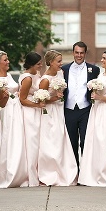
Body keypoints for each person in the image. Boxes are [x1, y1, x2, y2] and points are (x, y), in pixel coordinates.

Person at [0, 50, 29, 188]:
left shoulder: (9, 75)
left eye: (8, 59)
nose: (8, 61)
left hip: (17, 109)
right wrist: (3, 95)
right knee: (10, 140)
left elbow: (16, 91)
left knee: (18, 140)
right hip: (8, 112)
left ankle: (20, 172)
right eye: (5, 60)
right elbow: (2, 104)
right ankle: (10, 174)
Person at [78, 50, 106, 187]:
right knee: (94, 140)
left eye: (104, 58)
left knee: (103, 140)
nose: (101, 60)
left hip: (105, 110)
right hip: (96, 110)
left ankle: (104, 174)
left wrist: (100, 97)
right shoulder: (101, 74)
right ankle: (93, 172)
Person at [37, 50, 78, 186]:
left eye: (61, 61)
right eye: (59, 61)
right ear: (50, 62)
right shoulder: (44, 80)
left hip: (60, 110)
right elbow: (41, 101)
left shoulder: (61, 73)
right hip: (50, 112)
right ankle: (49, 172)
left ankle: (64, 170)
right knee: (51, 140)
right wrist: (55, 97)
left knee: (61, 139)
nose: (61, 64)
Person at [62, 41, 101, 167]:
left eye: (81, 53)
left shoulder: (94, 69)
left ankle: (86, 171)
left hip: (86, 109)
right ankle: (75, 171)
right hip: (69, 109)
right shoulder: (64, 69)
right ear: (73, 53)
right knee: (71, 142)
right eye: (77, 53)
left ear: (85, 53)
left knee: (85, 141)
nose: (79, 55)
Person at [17, 52, 43, 187]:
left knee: (38, 143)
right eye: (39, 64)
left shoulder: (36, 74)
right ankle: (31, 176)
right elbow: (22, 100)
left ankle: (38, 173)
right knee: (32, 143)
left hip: (36, 111)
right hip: (30, 113)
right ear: (32, 64)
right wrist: (37, 105)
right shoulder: (27, 78)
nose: (41, 65)